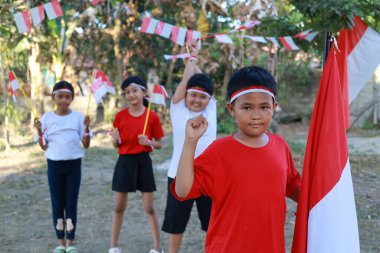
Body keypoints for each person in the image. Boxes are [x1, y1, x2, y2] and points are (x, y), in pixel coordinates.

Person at [173, 66, 301, 253]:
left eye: (264, 107)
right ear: (232, 109)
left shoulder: (281, 146)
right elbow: (182, 191)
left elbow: (294, 187)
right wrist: (190, 142)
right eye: (247, 107)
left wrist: (324, 201)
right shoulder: (219, 151)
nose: (256, 115)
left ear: (274, 107)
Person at [161, 45, 217, 253]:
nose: (197, 100)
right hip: (179, 174)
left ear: (209, 100)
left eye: (202, 97)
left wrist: (194, 58)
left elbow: (206, 85)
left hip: (208, 176)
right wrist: (190, 59)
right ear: (185, 96)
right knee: (176, 224)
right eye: (192, 95)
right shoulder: (178, 108)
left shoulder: (211, 108)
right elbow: (186, 83)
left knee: (211, 222)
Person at [34, 81, 92, 253]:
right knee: (57, 203)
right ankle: (60, 242)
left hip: (74, 165)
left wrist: (87, 128)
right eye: (60, 96)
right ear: (53, 97)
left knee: (71, 203)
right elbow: (43, 146)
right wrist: (38, 132)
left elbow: (86, 144)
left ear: (72, 98)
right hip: (54, 165)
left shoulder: (79, 118)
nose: (64, 100)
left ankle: (70, 242)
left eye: (67, 97)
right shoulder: (46, 118)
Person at [108, 76, 164, 253]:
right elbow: (117, 144)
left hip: (143, 162)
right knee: (118, 207)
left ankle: (157, 247)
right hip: (124, 162)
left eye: (134, 91)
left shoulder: (152, 116)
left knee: (149, 208)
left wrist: (148, 142)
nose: (131, 95)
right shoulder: (120, 116)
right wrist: (115, 141)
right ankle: (114, 246)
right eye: (127, 92)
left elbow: (159, 143)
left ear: (144, 92)